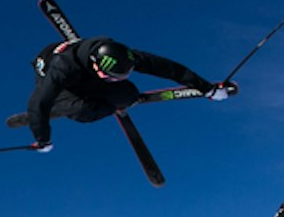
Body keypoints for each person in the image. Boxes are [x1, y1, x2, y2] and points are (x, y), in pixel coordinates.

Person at [14, 39, 228, 150]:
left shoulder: (125, 54)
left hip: (85, 73)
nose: (116, 80)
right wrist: (43, 139)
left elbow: (169, 68)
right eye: (112, 77)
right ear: (98, 68)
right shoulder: (63, 69)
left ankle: (111, 98)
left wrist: (206, 88)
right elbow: (37, 102)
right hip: (60, 82)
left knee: (128, 94)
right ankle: (70, 107)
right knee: (83, 110)